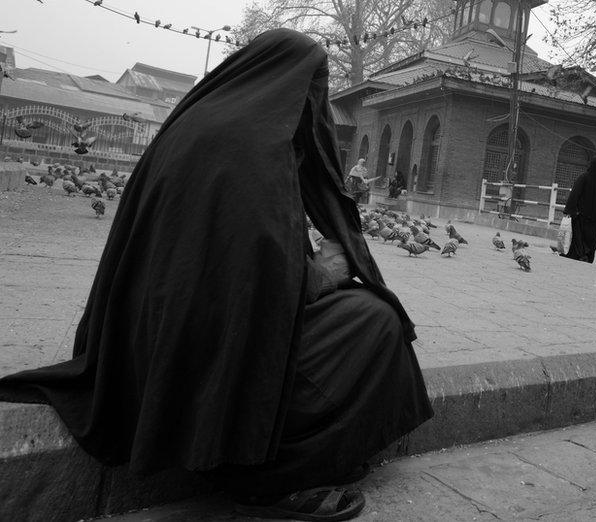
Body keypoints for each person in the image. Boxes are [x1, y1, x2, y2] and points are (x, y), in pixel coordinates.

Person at [0, 29, 432, 521]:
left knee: (359, 314)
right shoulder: (255, 150)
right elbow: (253, 295)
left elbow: (229, 266)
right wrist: (324, 274)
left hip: (147, 344)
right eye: (316, 85)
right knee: (374, 319)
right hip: (206, 358)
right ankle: (268, 477)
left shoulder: (198, 124)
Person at [561, 156, 596, 263]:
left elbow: (575, 194)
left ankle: (580, 255)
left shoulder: (584, 177)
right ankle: (588, 256)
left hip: (581, 215)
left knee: (579, 236)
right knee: (592, 239)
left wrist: (570, 209)